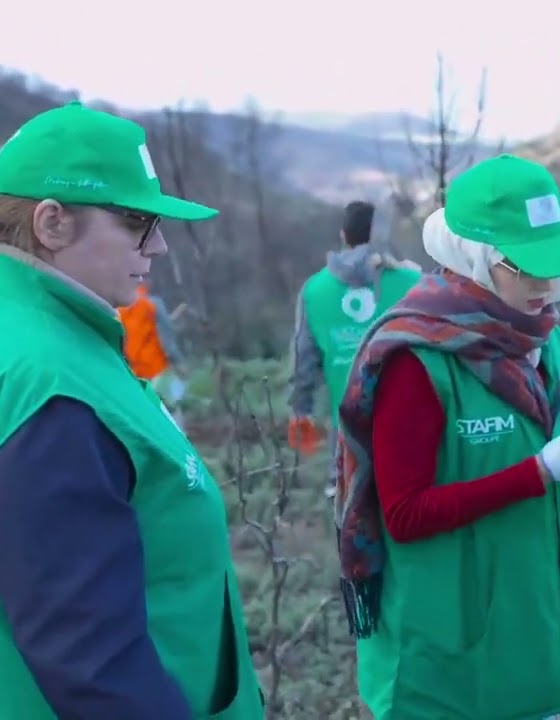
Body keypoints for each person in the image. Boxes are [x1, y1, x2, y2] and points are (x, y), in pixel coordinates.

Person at [333, 154, 560, 719]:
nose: (548, 285)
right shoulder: (418, 359)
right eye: (527, 267)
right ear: (475, 257)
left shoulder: (548, 346)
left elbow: (536, 479)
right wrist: (544, 470)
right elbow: (405, 514)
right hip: (444, 674)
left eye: (557, 266)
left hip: (537, 644)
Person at [0, 102, 263, 719]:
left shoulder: (54, 337)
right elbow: (90, 656)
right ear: (52, 223)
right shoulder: (51, 384)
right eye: (138, 222)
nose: (161, 244)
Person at [288, 200, 421, 496]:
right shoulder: (414, 282)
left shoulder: (314, 290)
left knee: (352, 526)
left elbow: (303, 361)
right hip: (414, 430)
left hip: (348, 440)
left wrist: (301, 410)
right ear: (378, 236)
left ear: (343, 236)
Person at [120, 281, 189, 428]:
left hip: (135, 373)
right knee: (173, 410)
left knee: (148, 416)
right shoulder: (152, 304)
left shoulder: (119, 310)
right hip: (159, 368)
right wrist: (178, 362)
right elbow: (166, 339)